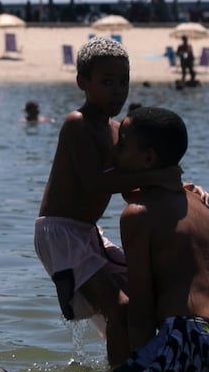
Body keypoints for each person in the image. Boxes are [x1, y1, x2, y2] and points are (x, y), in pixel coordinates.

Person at [35, 39, 179, 333]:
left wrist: (181, 189)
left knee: (142, 296)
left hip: (88, 232)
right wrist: (154, 178)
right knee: (119, 307)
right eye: (107, 82)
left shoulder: (116, 130)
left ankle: (135, 360)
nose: (117, 90)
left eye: (123, 82)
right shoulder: (77, 123)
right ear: (82, 83)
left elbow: (129, 189)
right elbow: (95, 182)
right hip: (59, 231)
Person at [107, 107, 209, 372]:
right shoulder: (198, 204)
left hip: (191, 337)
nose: (115, 155)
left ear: (148, 158)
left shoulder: (137, 215)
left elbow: (141, 305)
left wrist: (139, 364)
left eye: (122, 147)